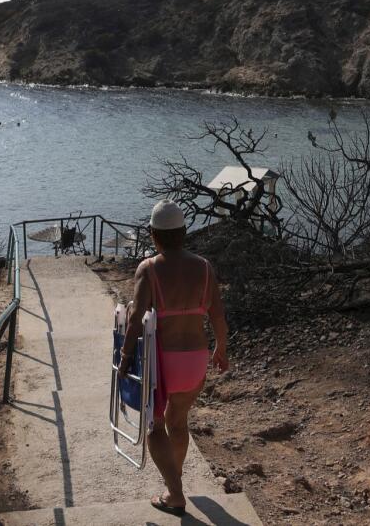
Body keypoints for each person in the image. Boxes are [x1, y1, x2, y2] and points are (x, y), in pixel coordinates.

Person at [118, 200, 228, 516]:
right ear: (183, 232)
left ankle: (175, 493)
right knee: (177, 422)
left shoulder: (149, 268)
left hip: (162, 362)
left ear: (153, 235)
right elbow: (218, 316)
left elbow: (136, 317)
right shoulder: (204, 267)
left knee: (154, 427)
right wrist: (221, 348)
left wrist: (125, 356)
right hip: (195, 359)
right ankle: (173, 480)